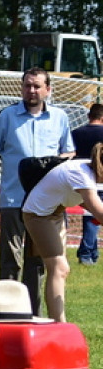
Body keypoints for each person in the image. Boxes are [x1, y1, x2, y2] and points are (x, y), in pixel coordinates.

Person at [0, 67, 74, 312]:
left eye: (37, 86)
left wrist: (55, 161)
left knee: (38, 264)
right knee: (10, 262)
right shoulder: (7, 116)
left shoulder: (60, 118)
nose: (31, 90)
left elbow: (70, 152)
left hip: (46, 205)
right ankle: (5, 314)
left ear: (48, 90)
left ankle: (32, 316)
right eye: (27, 85)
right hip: (13, 200)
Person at [22, 144, 103, 321]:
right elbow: (98, 211)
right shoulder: (81, 174)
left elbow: (81, 200)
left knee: (59, 270)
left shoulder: (85, 169)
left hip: (56, 212)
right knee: (59, 268)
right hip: (38, 215)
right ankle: (59, 324)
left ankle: (57, 322)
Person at [73, 104, 103, 266]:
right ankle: (86, 253)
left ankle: (92, 252)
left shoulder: (75, 133)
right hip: (98, 180)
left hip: (79, 180)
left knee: (91, 217)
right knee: (93, 218)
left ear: (89, 116)